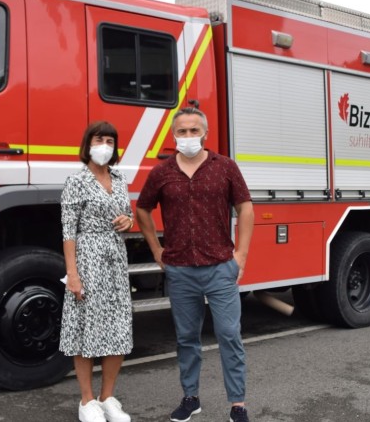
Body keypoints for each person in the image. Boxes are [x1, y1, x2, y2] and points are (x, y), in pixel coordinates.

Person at [136, 107, 255, 422]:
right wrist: (156, 249)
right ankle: (190, 398)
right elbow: (143, 209)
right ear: (173, 135)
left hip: (219, 267)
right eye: (182, 131)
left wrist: (240, 255)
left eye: (193, 130)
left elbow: (245, 207)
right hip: (180, 270)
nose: (188, 136)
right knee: (187, 337)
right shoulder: (161, 173)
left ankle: (238, 405)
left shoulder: (225, 168)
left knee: (229, 334)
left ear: (205, 134)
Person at [60, 121, 135, 422]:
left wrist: (128, 222)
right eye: (99, 139)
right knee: (87, 327)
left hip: (116, 259)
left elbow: (128, 214)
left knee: (117, 327)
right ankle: (87, 401)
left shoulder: (120, 177)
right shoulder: (76, 181)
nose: (105, 145)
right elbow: (68, 232)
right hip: (88, 259)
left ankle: (108, 398)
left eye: (110, 140)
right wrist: (73, 274)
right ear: (88, 144)